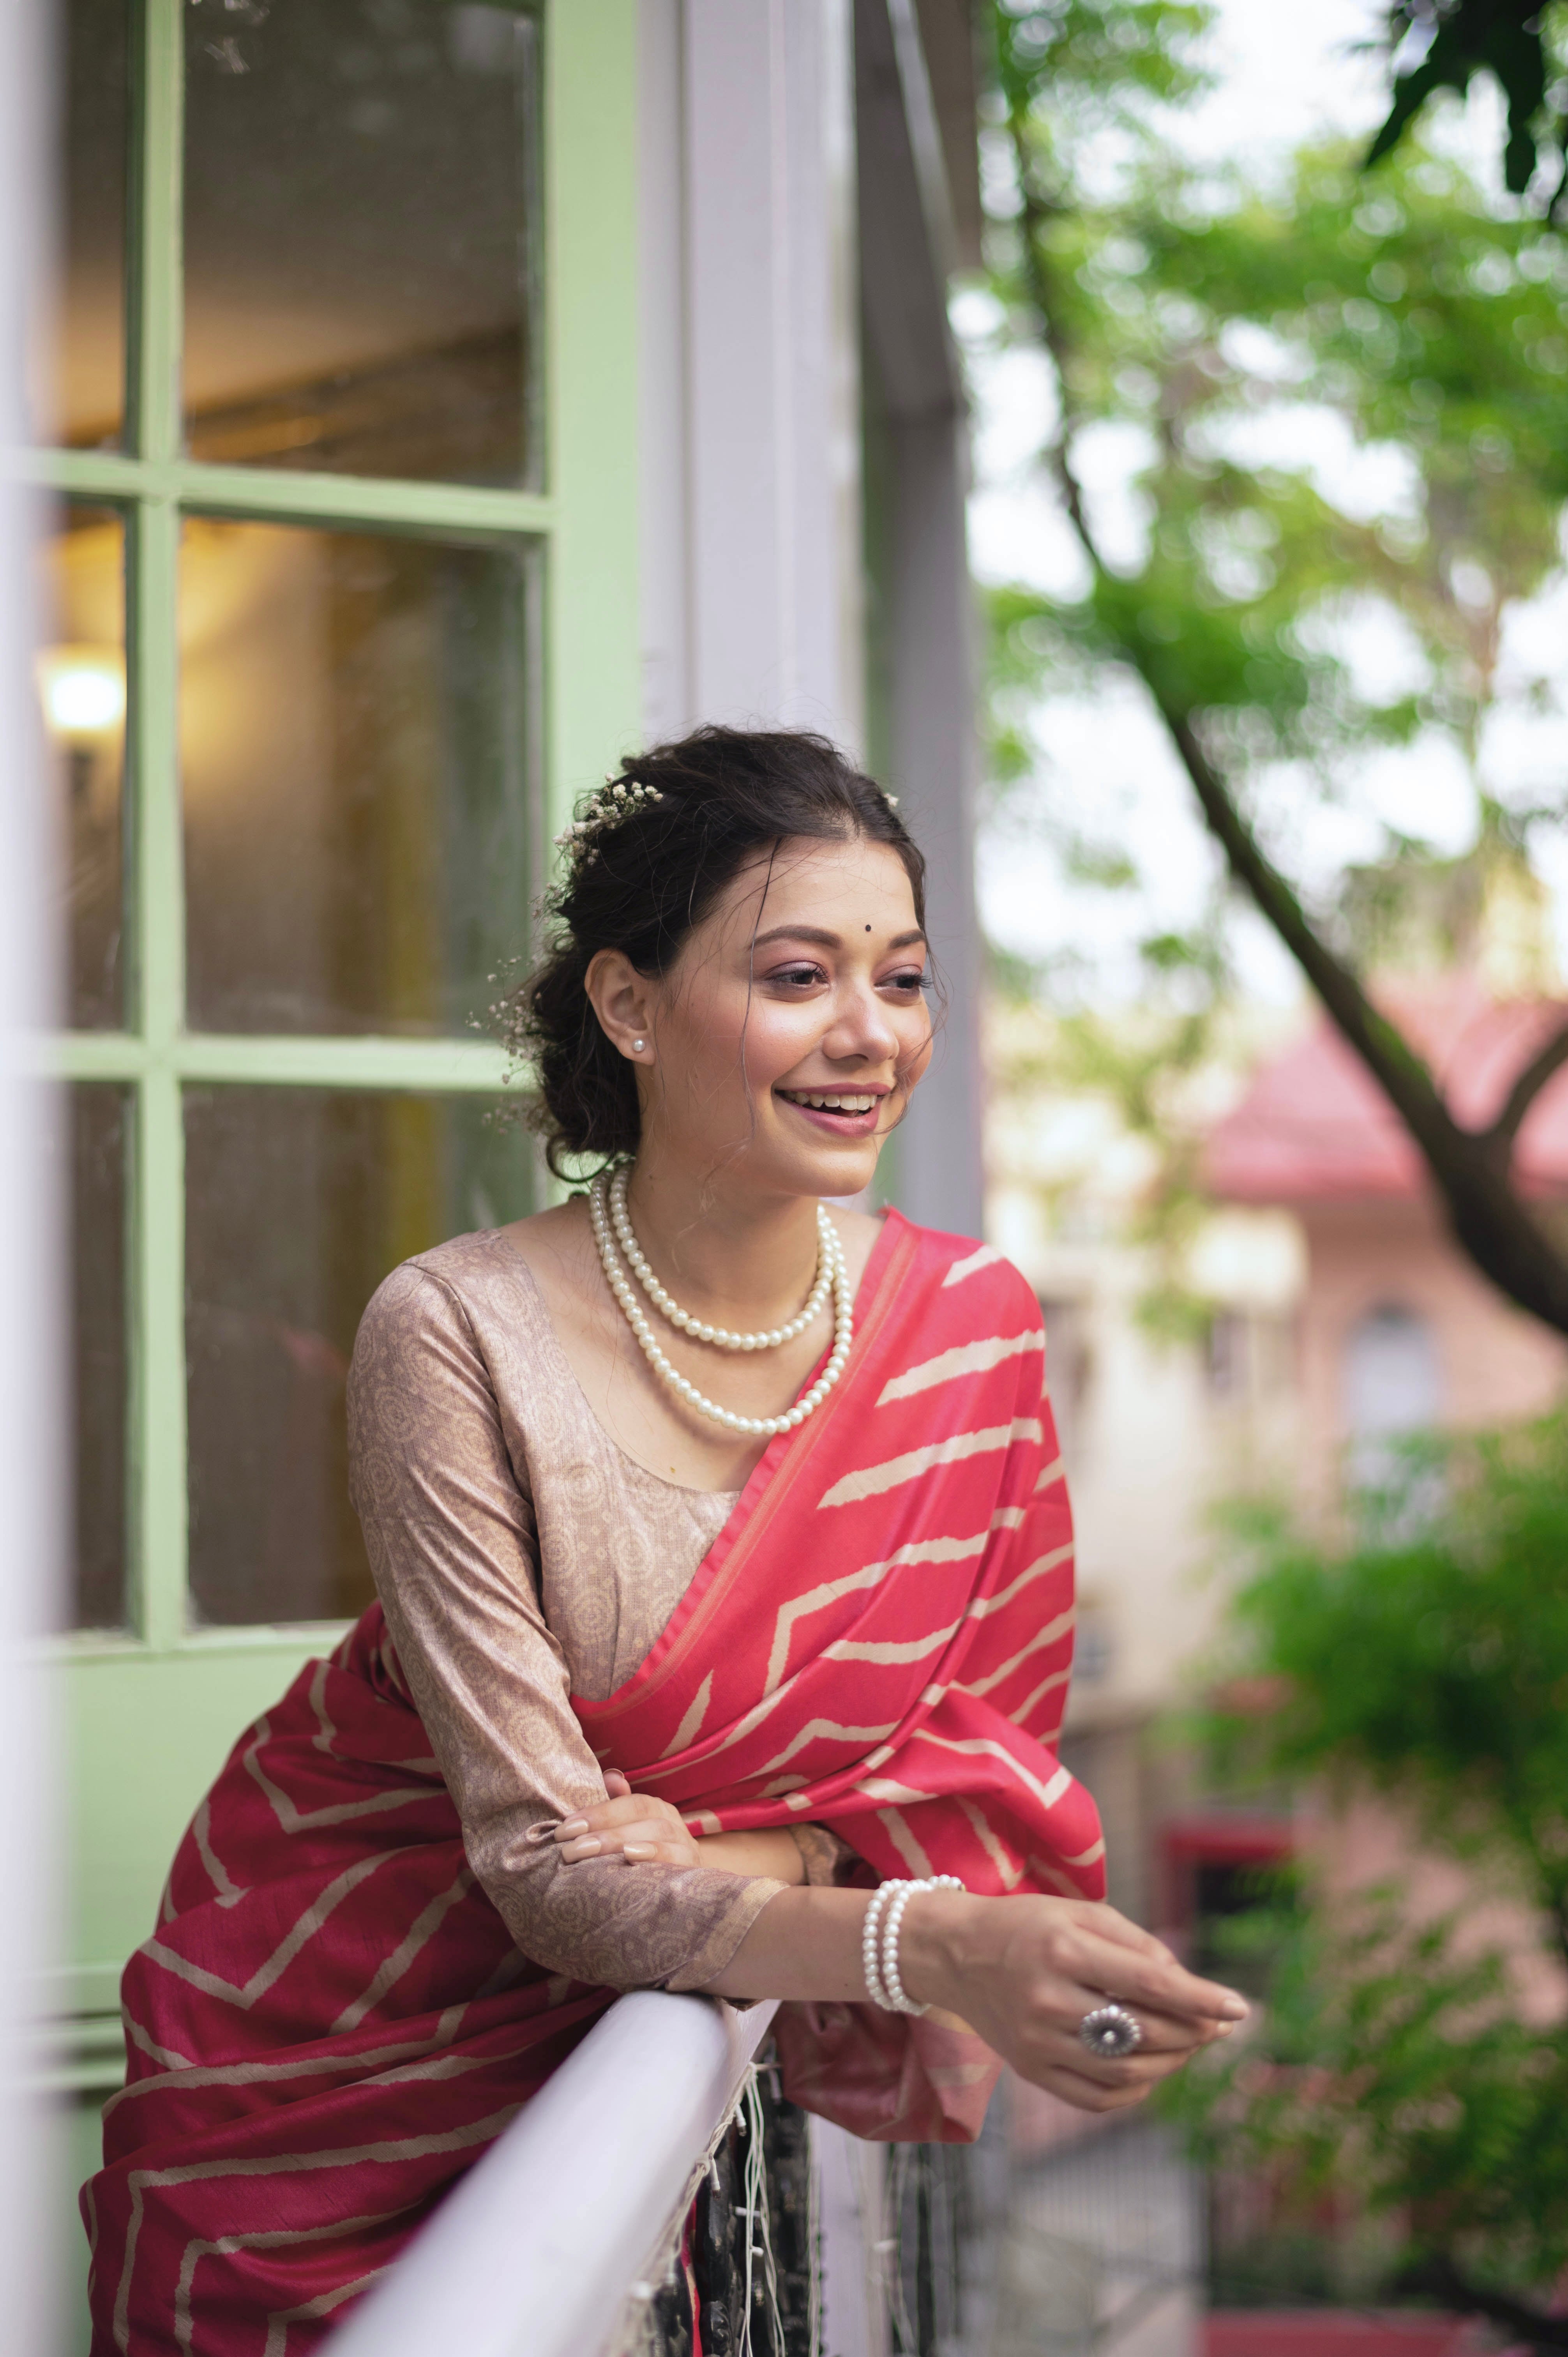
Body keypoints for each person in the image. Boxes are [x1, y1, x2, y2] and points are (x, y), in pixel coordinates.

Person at [85, 728, 1246, 2355]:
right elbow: (555, 1876)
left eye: (902, 980)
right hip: (331, 2039)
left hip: (666, 2044)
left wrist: (756, 1857)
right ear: (629, 1007)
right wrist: (943, 1946)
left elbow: (967, 1761)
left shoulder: (965, 1334)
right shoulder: (459, 1334)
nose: (870, 1037)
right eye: (798, 977)